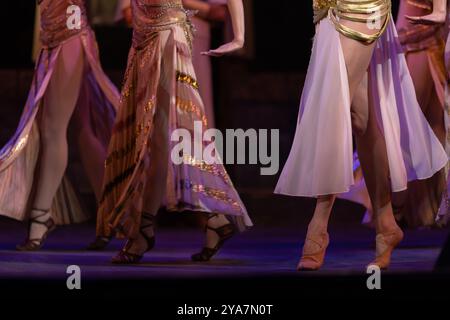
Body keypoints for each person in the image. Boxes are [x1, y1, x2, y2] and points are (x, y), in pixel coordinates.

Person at [275, 0, 448, 270]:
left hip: (362, 8)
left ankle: (318, 225)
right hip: (327, 11)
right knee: (361, 120)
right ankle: (386, 224)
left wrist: (438, 7)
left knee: (333, 105)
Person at [95, 0, 252, 264]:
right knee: (154, 134)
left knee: (158, 136)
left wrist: (239, 36)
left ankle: (144, 228)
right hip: (142, 37)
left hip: (167, 33)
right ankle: (215, 219)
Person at [0, 0, 119, 251]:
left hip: (69, 37)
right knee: (82, 128)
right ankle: (111, 215)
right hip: (60, 37)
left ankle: (41, 216)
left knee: (53, 129)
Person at [342, 0, 450, 229]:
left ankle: (401, 208)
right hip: (413, 33)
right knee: (413, 123)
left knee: (423, 123)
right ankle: (396, 208)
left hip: (428, 34)